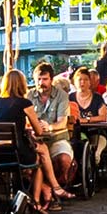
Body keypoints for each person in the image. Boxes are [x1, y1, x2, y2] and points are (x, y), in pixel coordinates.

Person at [0, 69, 69, 212]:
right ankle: (37, 200)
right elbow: (39, 131)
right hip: (17, 153)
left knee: (39, 153)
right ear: (22, 84)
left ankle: (47, 190)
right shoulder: (24, 103)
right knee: (38, 160)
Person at [29, 62, 76, 195]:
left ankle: (55, 186)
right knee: (29, 162)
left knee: (64, 159)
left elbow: (62, 122)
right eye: (38, 79)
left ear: (51, 80)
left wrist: (49, 127)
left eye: (45, 79)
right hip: (35, 141)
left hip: (56, 138)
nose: (41, 82)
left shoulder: (61, 95)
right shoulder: (30, 95)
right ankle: (50, 190)